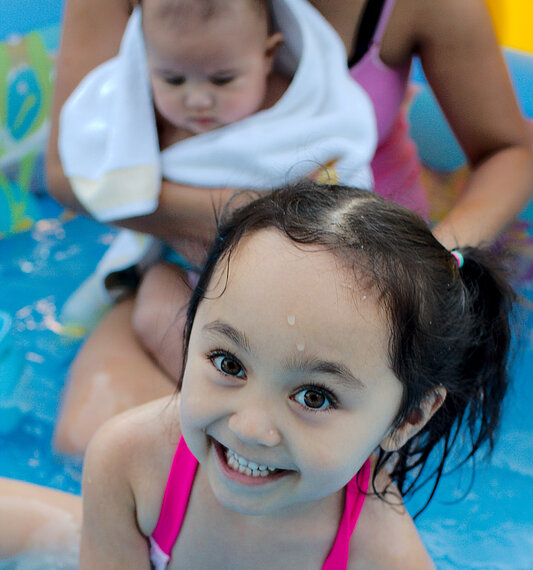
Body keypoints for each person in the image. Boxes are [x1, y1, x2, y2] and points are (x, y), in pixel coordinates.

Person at [2, 183, 516, 570]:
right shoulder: (134, 458)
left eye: (315, 396)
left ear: (407, 418)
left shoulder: (379, 555)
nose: (248, 426)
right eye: (228, 362)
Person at [46, 0, 532, 454]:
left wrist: (432, 259)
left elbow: (511, 150)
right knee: (93, 445)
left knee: (322, 454)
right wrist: (262, 219)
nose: (198, 99)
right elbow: (70, 174)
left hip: (368, 274)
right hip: (191, 256)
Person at [52, 0, 376, 448]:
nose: (197, 99)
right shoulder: (145, 115)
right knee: (153, 301)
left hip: (287, 287)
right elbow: (81, 174)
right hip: (190, 276)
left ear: (268, 54)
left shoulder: (300, 108)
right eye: (173, 79)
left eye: (223, 80)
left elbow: (337, 186)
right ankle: (230, 401)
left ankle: (264, 399)